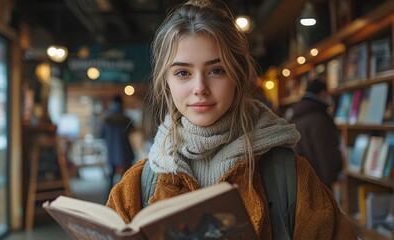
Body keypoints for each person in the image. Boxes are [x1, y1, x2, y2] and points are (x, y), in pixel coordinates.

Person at [107, 0, 356, 239]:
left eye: (216, 70)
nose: (200, 87)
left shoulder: (291, 175)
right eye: (183, 73)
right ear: (166, 82)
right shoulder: (139, 184)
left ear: (238, 75)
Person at [290, 80, 343, 190]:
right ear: (323, 93)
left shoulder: (296, 116)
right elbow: (326, 155)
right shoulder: (320, 119)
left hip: (301, 181)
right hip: (319, 184)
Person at [100, 95, 135, 194]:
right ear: (122, 104)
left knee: (111, 178)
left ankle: (108, 200)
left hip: (111, 152)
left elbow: (101, 135)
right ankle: (127, 199)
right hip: (125, 151)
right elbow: (132, 130)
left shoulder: (106, 119)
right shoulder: (126, 118)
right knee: (127, 178)